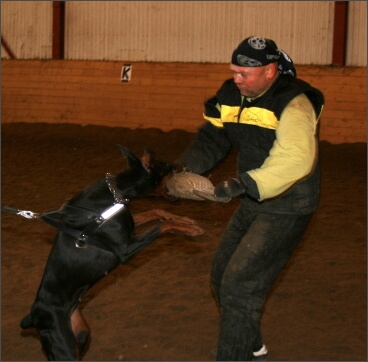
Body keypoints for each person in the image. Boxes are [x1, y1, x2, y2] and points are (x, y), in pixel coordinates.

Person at [167, 36, 324, 360]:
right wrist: (182, 170)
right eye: (234, 71)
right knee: (222, 275)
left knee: (240, 285)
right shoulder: (230, 94)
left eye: (244, 74)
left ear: (270, 70)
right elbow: (212, 138)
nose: (236, 79)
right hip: (254, 197)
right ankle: (252, 345)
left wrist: (244, 184)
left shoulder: (294, 102)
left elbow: (296, 158)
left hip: (288, 204)